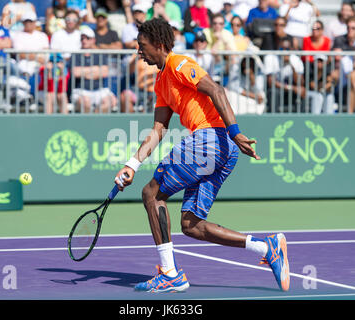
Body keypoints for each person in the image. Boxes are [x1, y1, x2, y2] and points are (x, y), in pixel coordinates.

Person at [114, 18, 290, 293]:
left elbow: (215, 89)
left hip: (211, 138)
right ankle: (266, 248)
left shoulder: (178, 63)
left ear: (159, 45)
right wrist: (132, 164)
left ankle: (169, 273)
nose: (139, 52)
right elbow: (159, 129)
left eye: (142, 46)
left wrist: (236, 131)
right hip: (221, 149)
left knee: (151, 195)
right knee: (191, 225)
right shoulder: (161, 82)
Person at [70, 26, 117, 113]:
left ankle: (95, 122)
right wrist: (95, 70)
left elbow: (104, 72)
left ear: (93, 40)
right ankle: (90, 124)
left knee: (111, 101)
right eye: (82, 38)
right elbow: (75, 72)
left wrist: (84, 72)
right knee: (85, 103)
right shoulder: (75, 54)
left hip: (99, 90)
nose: (84, 41)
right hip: (81, 91)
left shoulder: (100, 54)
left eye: (87, 38)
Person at [264, 38, 305, 113]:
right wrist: (291, 88)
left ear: (291, 49)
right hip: (278, 90)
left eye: (287, 49)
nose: (284, 51)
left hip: (290, 92)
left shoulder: (296, 60)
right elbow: (271, 82)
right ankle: (273, 120)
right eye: (281, 48)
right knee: (273, 92)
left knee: (302, 91)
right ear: (278, 48)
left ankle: (300, 120)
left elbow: (300, 82)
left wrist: (292, 66)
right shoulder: (271, 58)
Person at [11, 11, 49, 77]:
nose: (28, 24)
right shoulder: (17, 35)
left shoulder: (42, 35)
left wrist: (32, 57)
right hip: (23, 64)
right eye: (26, 21)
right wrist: (36, 57)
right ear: (23, 22)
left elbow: (45, 54)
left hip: (40, 64)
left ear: (35, 22)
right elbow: (20, 55)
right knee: (24, 66)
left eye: (30, 21)